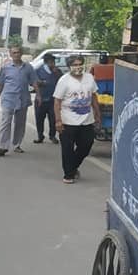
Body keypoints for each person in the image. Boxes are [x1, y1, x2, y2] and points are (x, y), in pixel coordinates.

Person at [54, 54, 101, 184]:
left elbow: (94, 97)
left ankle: (73, 166)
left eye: (80, 64)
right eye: (75, 65)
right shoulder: (64, 80)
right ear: (69, 66)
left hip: (87, 120)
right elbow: (57, 101)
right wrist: (58, 120)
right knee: (67, 149)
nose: (78, 67)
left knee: (86, 145)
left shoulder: (89, 78)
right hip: (68, 121)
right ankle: (68, 174)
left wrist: (97, 114)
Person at [0, 45, 37, 156]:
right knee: (6, 122)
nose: (16, 54)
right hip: (8, 99)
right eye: (14, 53)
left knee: (20, 123)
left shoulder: (28, 68)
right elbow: (1, 84)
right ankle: (2, 146)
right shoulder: (5, 68)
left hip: (23, 99)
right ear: (10, 54)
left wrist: (39, 96)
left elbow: (34, 82)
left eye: (18, 52)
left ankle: (17, 145)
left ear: (21, 54)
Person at [33, 53, 62, 144]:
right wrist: (40, 82)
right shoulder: (38, 71)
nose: (52, 64)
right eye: (50, 62)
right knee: (39, 118)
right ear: (46, 62)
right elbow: (33, 82)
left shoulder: (57, 71)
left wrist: (56, 73)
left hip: (53, 99)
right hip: (40, 99)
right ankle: (40, 136)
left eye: (53, 62)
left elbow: (63, 81)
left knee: (53, 118)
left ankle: (52, 135)